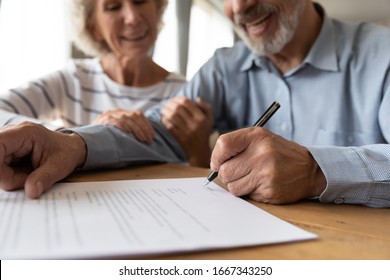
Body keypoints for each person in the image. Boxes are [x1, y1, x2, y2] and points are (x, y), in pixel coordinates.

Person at [1, 0, 390, 208]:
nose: (241, 5)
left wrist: (315, 172)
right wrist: (73, 144)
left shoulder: (382, 55)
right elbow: (156, 132)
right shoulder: (223, 67)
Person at [0, 0, 186, 144]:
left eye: (140, 0)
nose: (133, 18)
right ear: (94, 27)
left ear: (157, 8)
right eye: (113, 7)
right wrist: (80, 137)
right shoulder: (73, 79)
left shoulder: (184, 92)